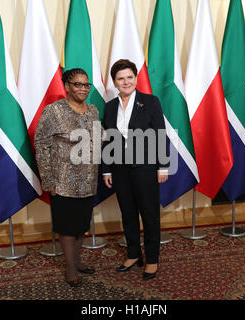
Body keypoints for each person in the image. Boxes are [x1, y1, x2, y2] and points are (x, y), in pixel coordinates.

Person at [102, 59, 169, 280]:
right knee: (128, 214)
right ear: (115, 82)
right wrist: (107, 170)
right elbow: (107, 140)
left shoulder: (150, 102)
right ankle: (132, 254)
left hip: (146, 169)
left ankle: (151, 259)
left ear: (136, 78)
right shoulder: (110, 107)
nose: (126, 81)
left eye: (129, 77)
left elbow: (160, 134)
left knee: (149, 215)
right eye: (120, 78)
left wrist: (163, 165)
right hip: (120, 170)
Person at [34, 68, 100, 287]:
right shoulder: (53, 111)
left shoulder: (93, 111)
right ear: (67, 86)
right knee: (67, 227)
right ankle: (70, 268)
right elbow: (42, 146)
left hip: (88, 180)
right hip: (63, 181)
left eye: (86, 84)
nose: (83, 88)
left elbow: (97, 144)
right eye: (77, 84)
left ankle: (78, 261)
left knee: (81, 225)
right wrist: (49, 180)